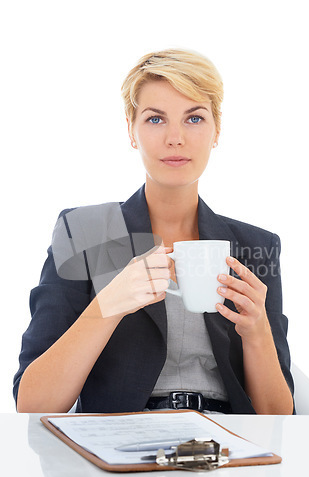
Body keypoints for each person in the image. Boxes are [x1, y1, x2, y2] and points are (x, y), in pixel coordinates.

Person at [13, 49, 294, 415]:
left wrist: (257, 333)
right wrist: (108, 305)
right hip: (119, 445)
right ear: (132, 130)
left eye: (194, 118)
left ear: (216, 131)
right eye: (155, 119)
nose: (175, 138)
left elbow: (281, 421)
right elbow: (33, 403)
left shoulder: (256, 246)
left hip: (225, 445)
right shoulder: (82, 233)